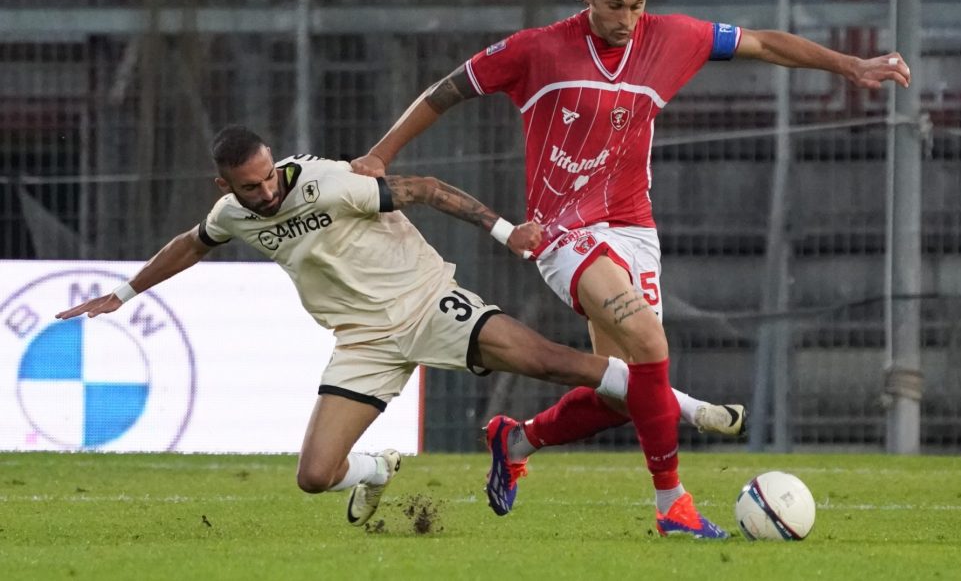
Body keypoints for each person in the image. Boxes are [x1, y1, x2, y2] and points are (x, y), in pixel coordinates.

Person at [351, 0, 912, 538]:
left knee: (623, 392)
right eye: (615, 5)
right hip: (562, 232)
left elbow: (763, 43)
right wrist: (381, 154)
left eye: (637, 6)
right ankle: (673, 504)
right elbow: (446, 90)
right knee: (648, 340)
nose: (627, 20)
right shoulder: (537, 50)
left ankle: (516, 440)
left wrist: (850, 66)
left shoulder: (671, 38)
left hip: (634, 227)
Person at [55, 126, 742, 530]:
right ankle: (378, 469)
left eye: (267, 179)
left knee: (556, 361)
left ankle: (690, 406)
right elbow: (191, 242)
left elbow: (427, 189)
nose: (264, 193)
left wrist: (506, 231)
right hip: (362, 344)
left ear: (275, 162)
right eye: (249, 187)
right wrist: (122, 292)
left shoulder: (329, 182)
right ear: (225, 186)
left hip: (429, 305)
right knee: (313, 475)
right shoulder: (233, 214)